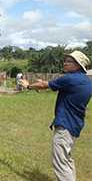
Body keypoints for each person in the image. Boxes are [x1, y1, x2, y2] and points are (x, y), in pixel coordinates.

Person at [21, 50, 92, 181]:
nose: (64, 63)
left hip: (65, 126)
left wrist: (28, 86)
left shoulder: (70, 78)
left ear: (77, 65)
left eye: (68, 61)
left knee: (60, 163)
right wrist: (44, 83)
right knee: (67, 158)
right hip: (75, 125)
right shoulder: (87, 81)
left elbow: (44, 85)